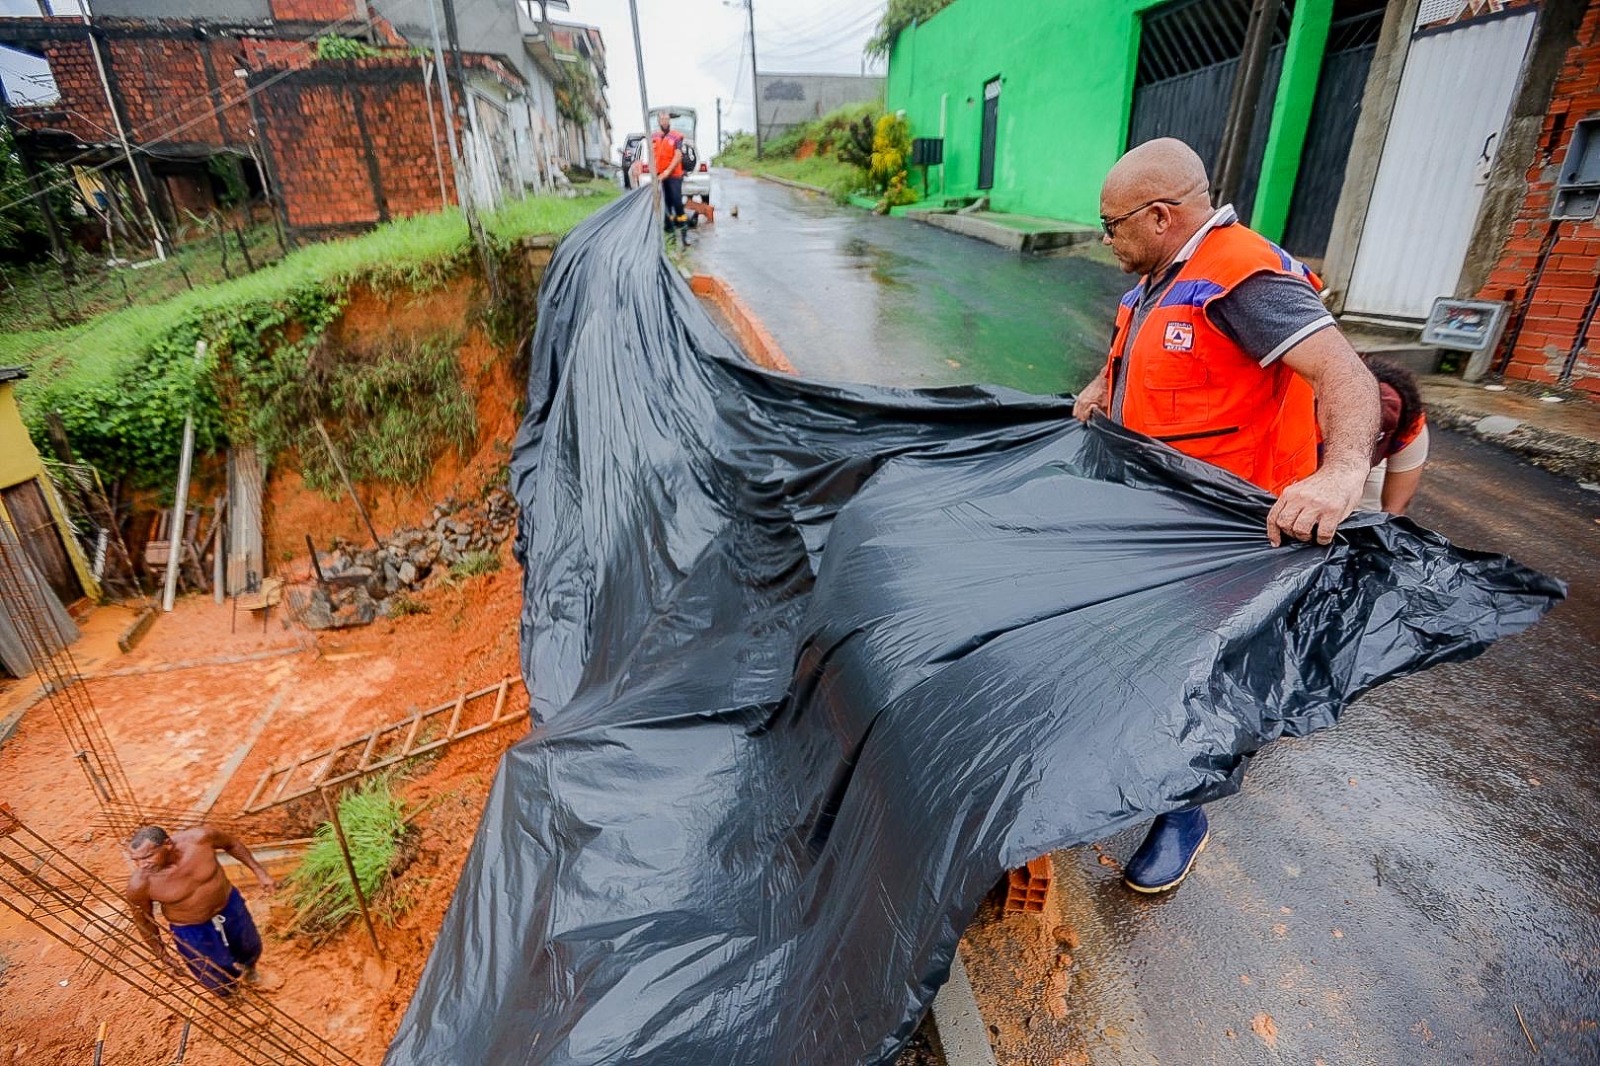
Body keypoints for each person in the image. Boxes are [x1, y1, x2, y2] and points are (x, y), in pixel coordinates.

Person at [1072, 138, 1380, 894]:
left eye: (1111, 224)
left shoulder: (1242, 277)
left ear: (1161, 215)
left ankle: (1185, 814)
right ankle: (1122, 772)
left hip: (1225, 534)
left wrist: (1339, 473)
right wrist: (1098, 389)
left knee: (1200, 679)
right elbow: (1148, 362)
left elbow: (1345, 372)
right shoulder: (1154, 279)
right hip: (1153, 516)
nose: (1104, 237)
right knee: (1136, 657)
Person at [125, 824, 277, 994]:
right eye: (136, 860)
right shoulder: (140, 885)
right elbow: (143, 920)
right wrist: (162, 955)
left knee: (248, 944)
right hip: (191, 927)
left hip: (229, 905)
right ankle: (230, 994)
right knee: (211, 968)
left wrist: (259, 872)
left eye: (148, 856)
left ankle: (250, 971)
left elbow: (232, 844)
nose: (142, 865)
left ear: (167, 844)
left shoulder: (200, 839)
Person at [1362, 358, 1429, 515]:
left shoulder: (1409, 424)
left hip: (1366, 463)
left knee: (1367, 516)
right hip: (1320, 451)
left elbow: (1394, 510)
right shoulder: (1307, 416)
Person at [649, 111, 691, 247]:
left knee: (678, 204)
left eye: (667, 119)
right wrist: (654, 174)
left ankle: (685, 237)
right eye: (662, 119)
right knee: (665, 207)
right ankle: (671, 237)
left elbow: (678, 156)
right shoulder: (653, 137)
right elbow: (651, 157)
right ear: (659, 121)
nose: (665, 121)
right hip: (660, 177)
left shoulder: (676, 136)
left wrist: (667, 172)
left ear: (669, 121)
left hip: (674, 176)